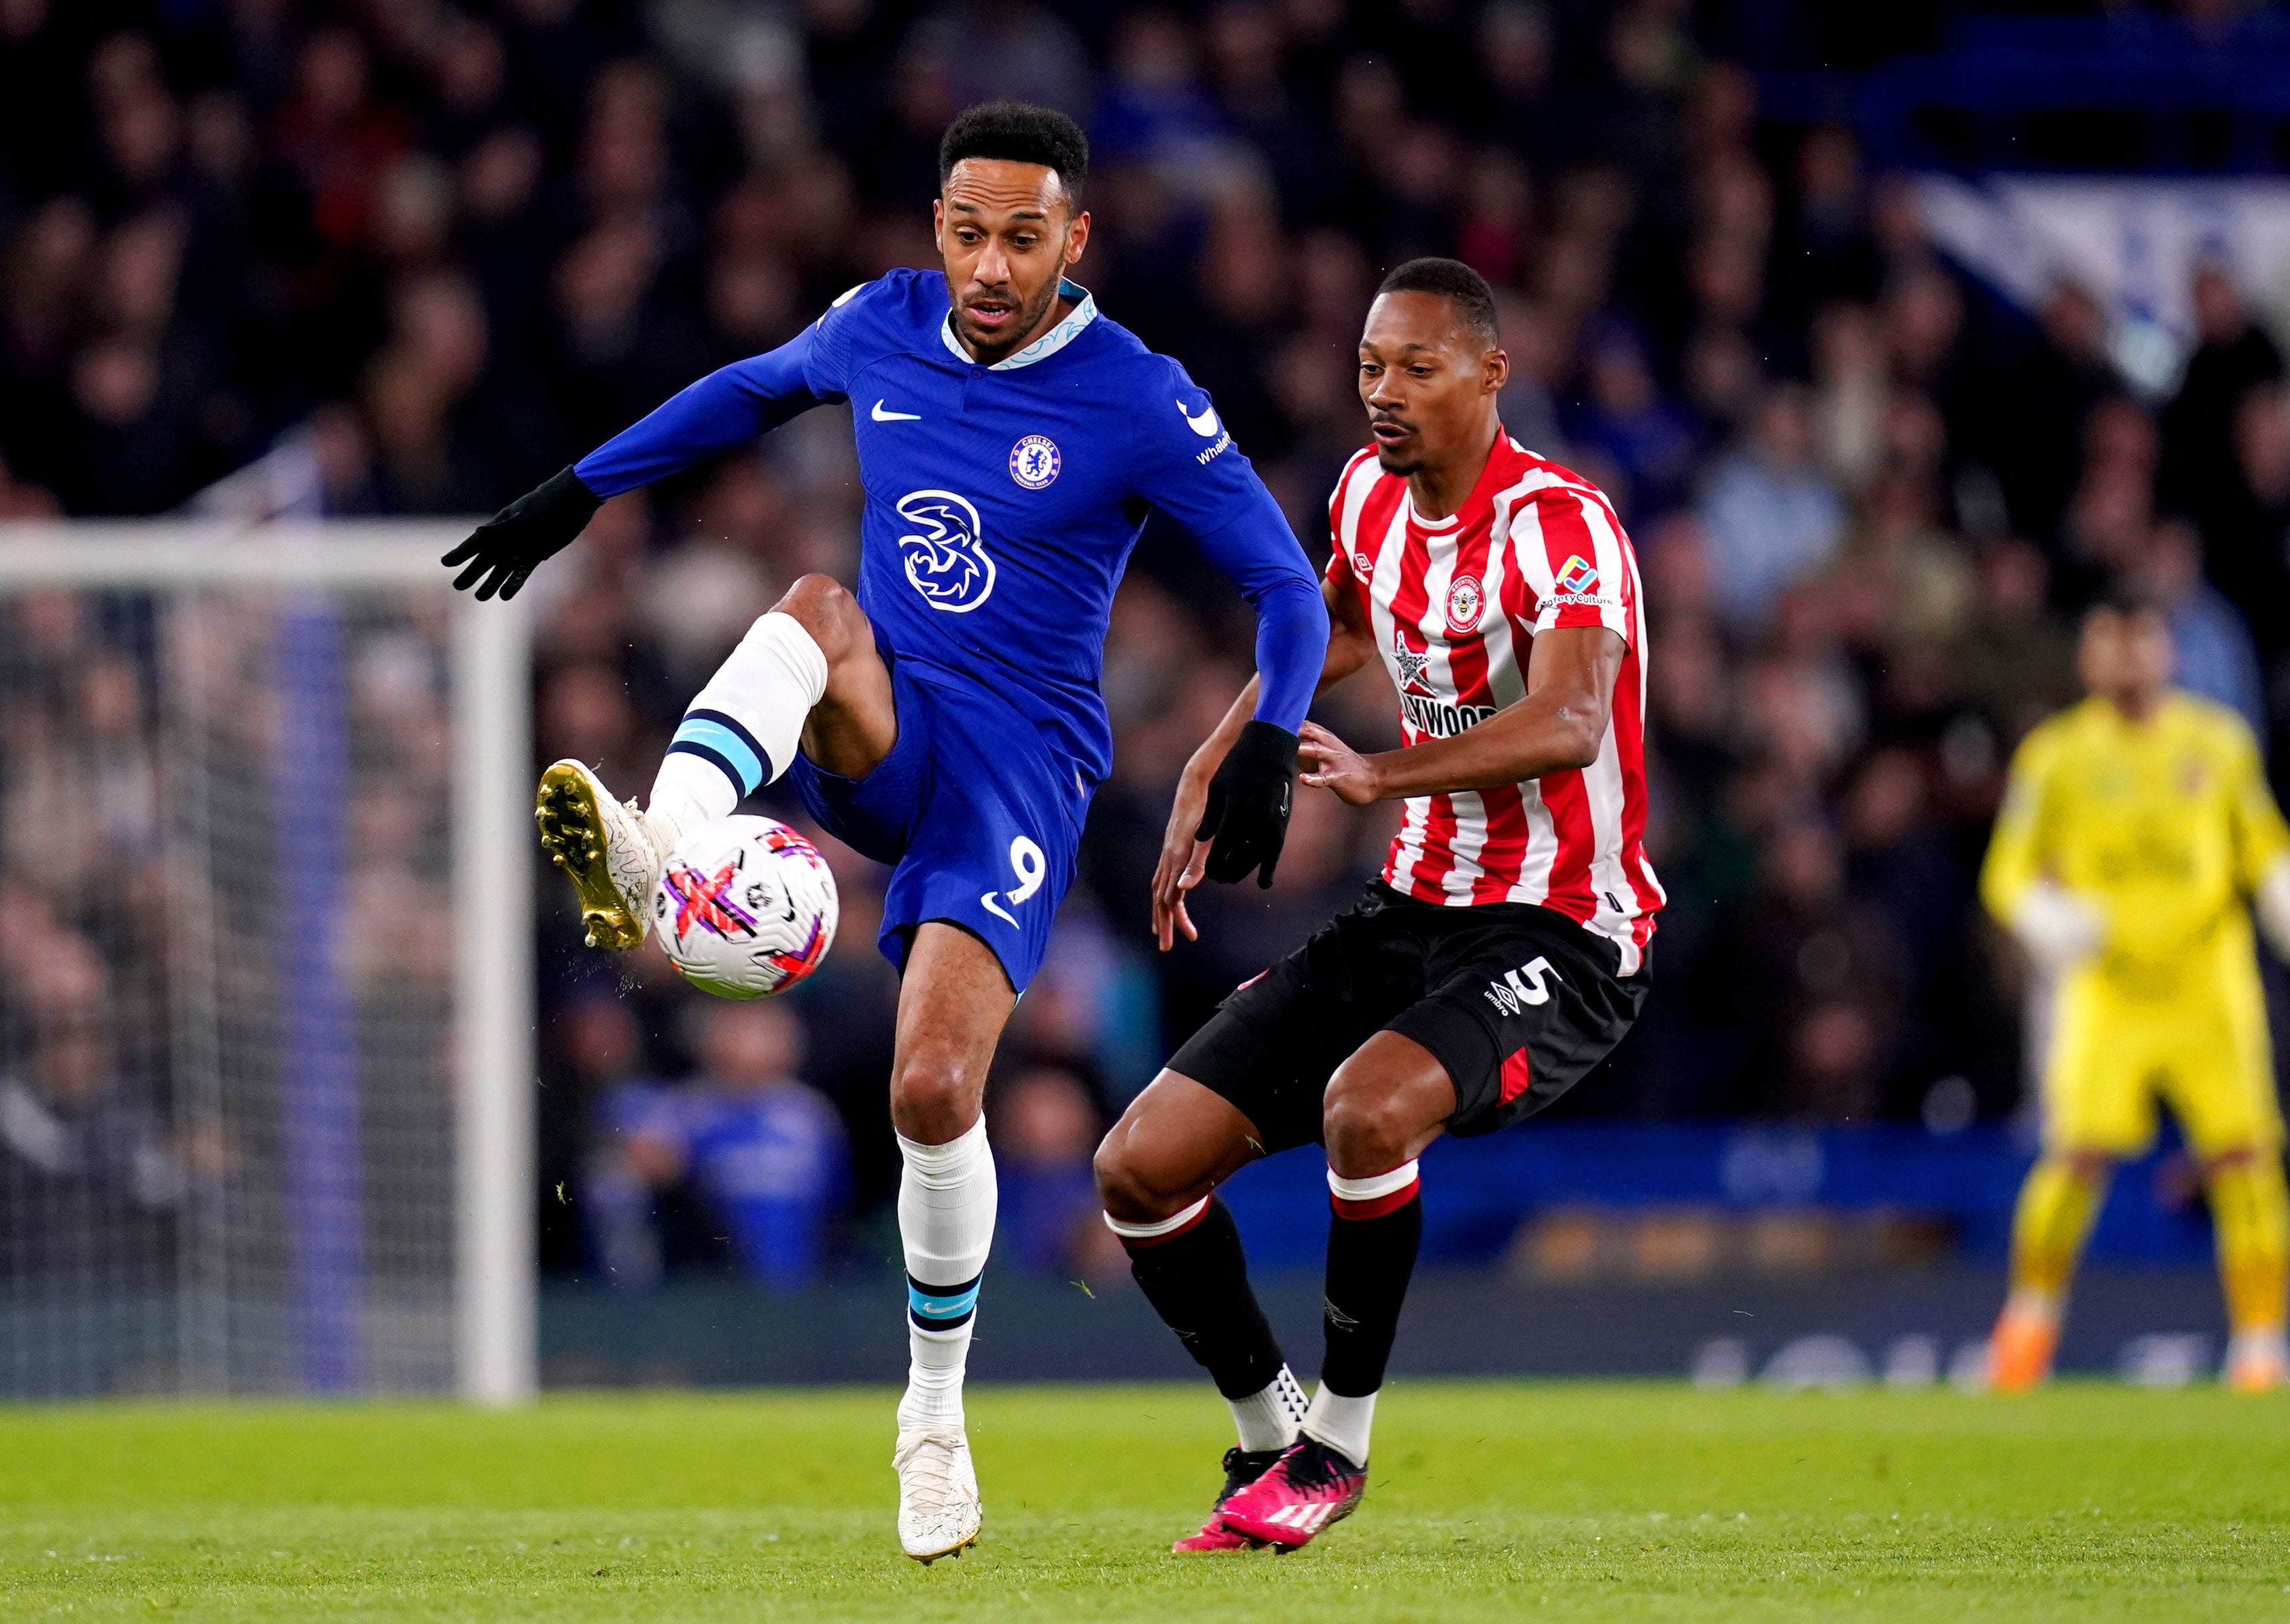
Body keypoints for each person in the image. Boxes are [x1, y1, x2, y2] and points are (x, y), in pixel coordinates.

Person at [442, 102, 1327, 1561]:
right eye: (968, 230)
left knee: (929, 1089)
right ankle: (665, 840)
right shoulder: (881, 323)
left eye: (1023, 236)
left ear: (1074, 240)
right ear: (936, 226)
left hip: (1016, 781)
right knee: (815, 609)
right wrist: (574, 494)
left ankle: (931, 1417)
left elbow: (1286, 588)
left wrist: (1271, 735)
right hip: (889, 730)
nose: (990, 263)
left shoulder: (1138, 396)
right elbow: (745, 387)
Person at [1093, 258, 1663, 1553]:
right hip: (1414, 908)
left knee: (1368, 1106)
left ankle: (1335, 1451)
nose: (1384, 394)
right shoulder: (1364, 494)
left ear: (1491, 374)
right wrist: (1223, 750)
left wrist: (1378, 773)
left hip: (1564, 931)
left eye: (1417, 367)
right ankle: (1263, 1429)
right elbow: (1338, 636)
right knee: (1137, 1168)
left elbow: (1573, 722)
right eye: (1369, 367)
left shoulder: (1563, 526)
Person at [1980, 602, 2290, 1394]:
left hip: (2205, 983)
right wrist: (2046, 917)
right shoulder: (2055, 755)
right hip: (2107, 989)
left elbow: (2262, 843)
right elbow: (2005, 871)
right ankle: (2027, 1324)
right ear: (2087, 655)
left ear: (2164, 647)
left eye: (2139, 639)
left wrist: (2280, 891)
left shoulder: (2217, 742)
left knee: (2244, 1158)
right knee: (2073, 1158)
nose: (2125, 657)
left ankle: (2259, 1345)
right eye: (2108, 639)